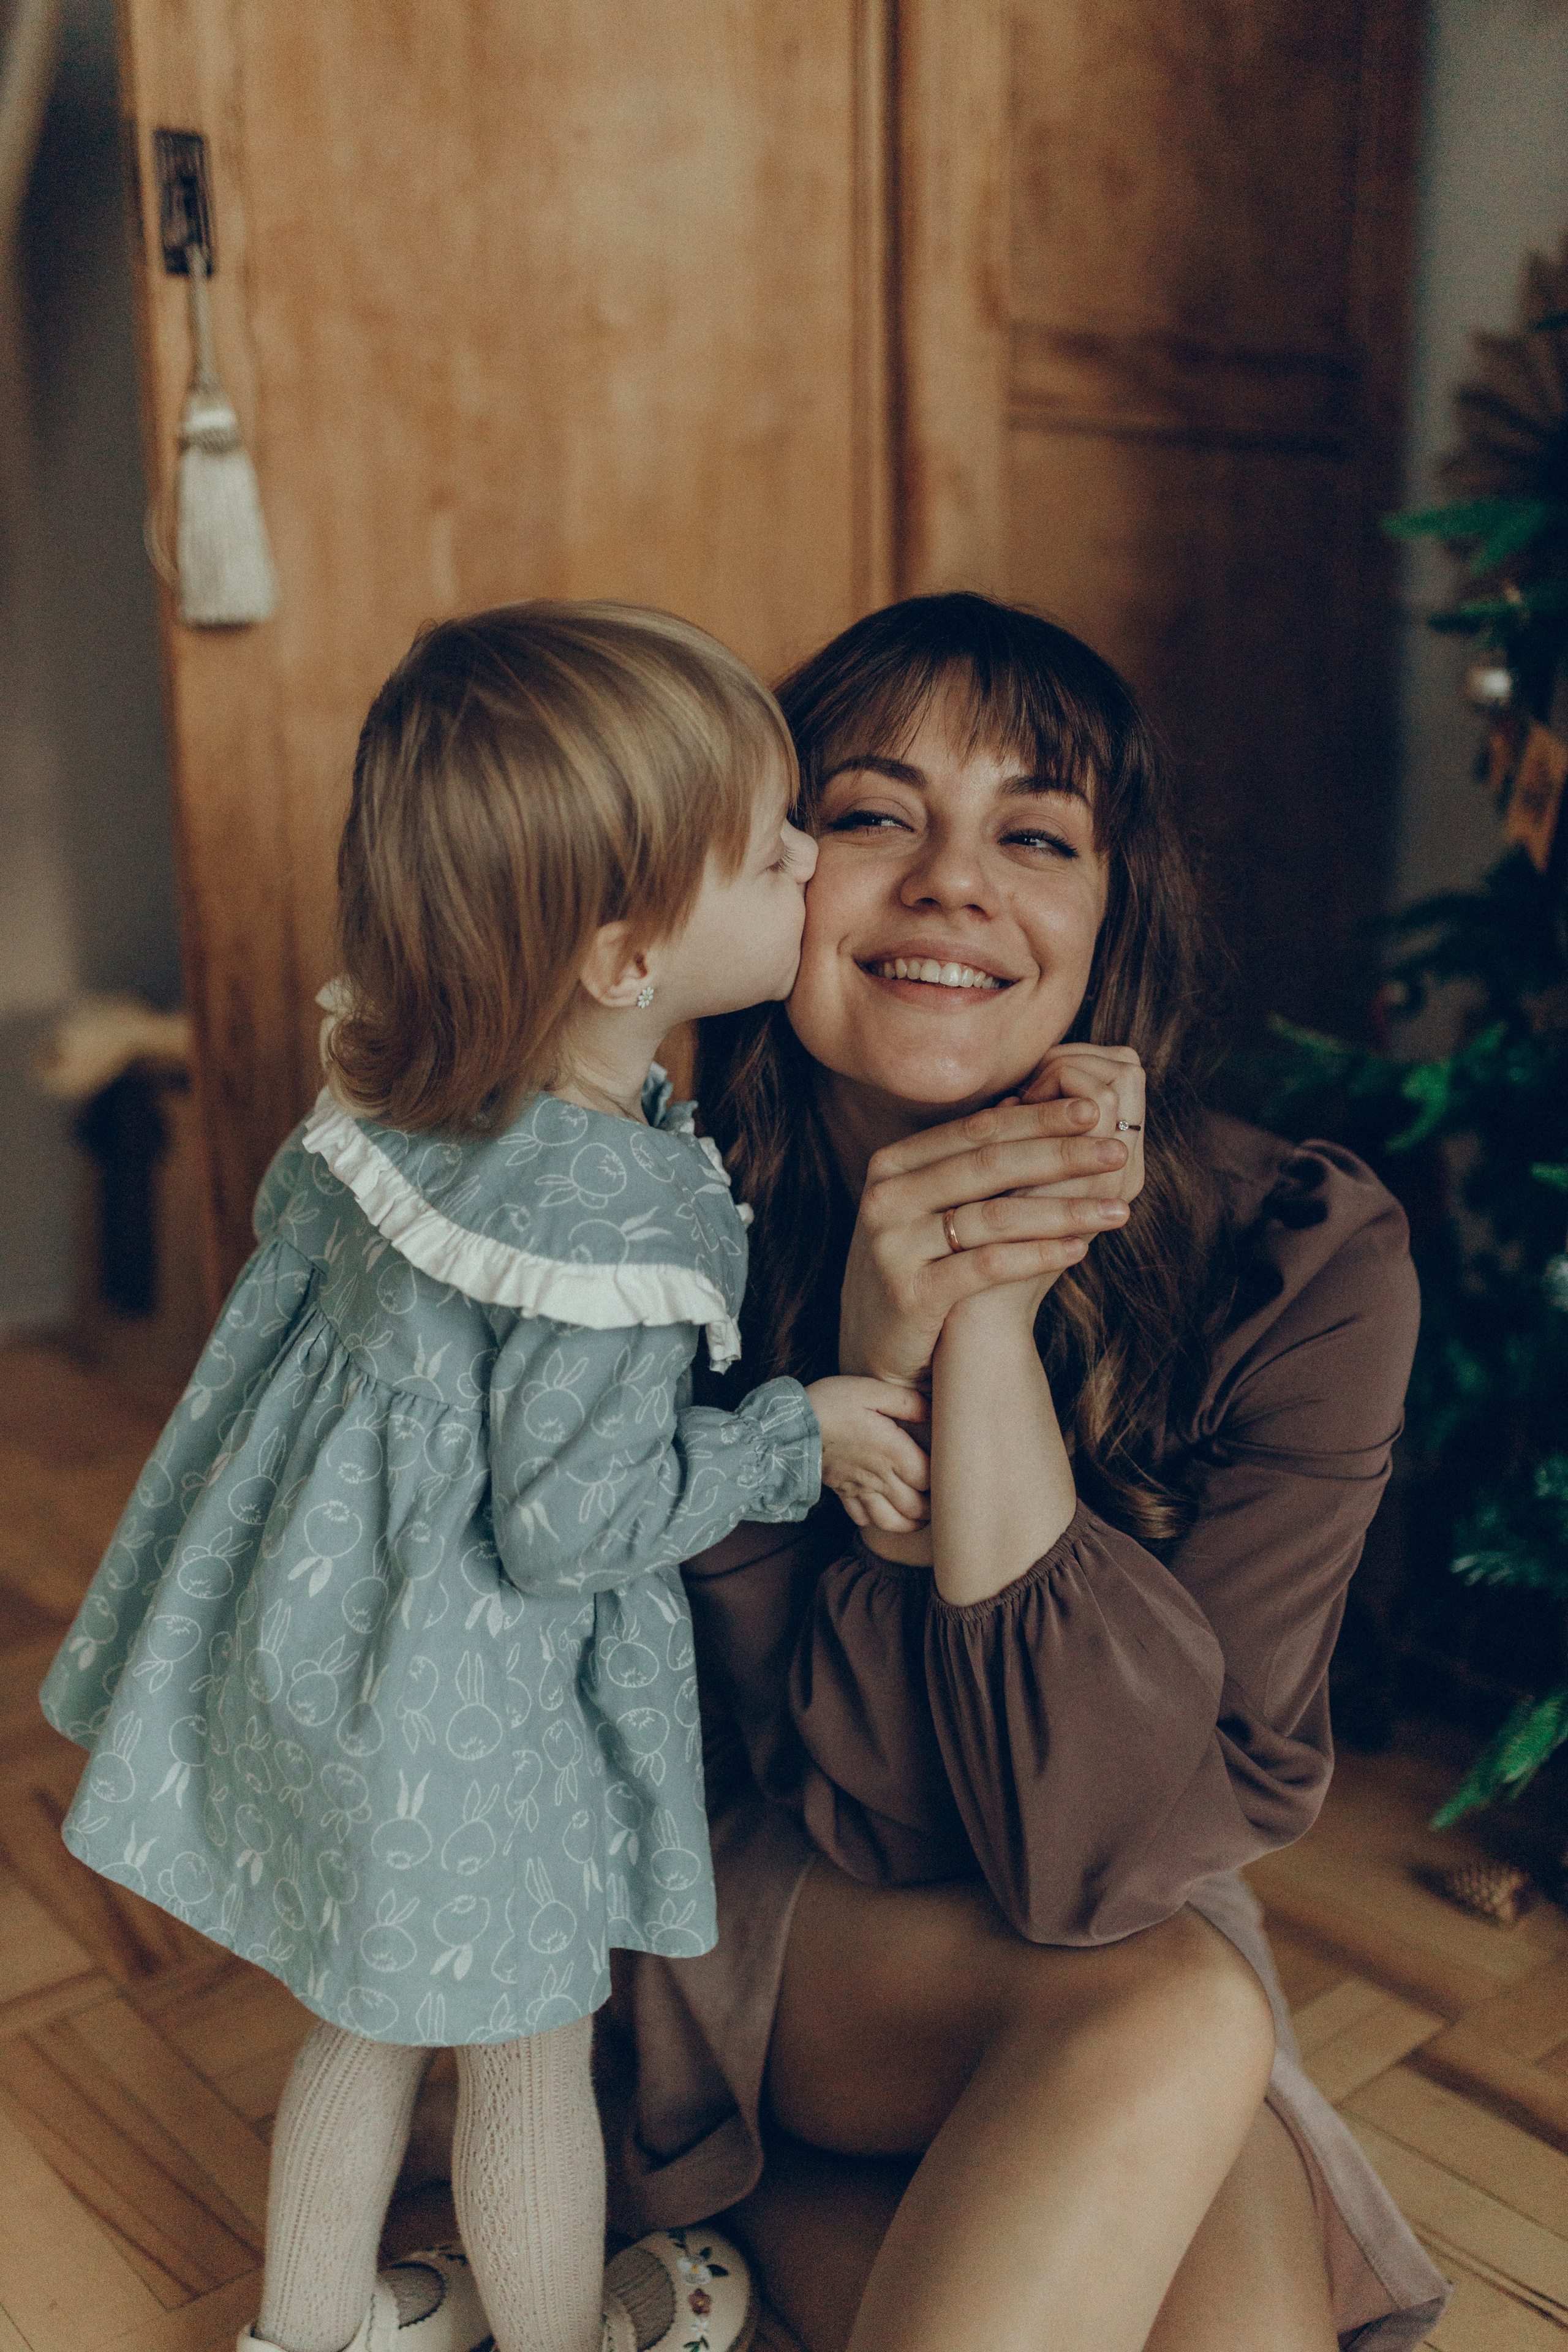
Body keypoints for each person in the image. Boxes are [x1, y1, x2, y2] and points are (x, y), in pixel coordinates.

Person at [40, 603, 927, 2352]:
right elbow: (572, 1523)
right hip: (480, 1730)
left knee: (360, 2025)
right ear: (620, 961)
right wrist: (791, 1434)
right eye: (769, 852)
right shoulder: (620, 1217)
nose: (812, 860)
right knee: (527, 2065)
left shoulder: (412, 1073)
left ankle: (304, 2337)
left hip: (347, 1660)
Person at [611, 594, 1451, 2352]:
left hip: (1120, 1911)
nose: (953, 882)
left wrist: (985, 1327)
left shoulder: (1307, 1258)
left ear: (1107, 914)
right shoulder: (645, 1249)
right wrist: (871, 1360)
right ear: (772, 876)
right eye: (871, 815)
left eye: (1037, 834)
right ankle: (716, 2185)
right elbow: (868, 1815)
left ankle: (738, 2255)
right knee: (1181, 2023)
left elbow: (1101, 1863)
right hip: (749, 1906)